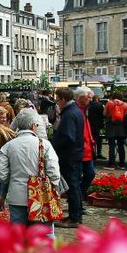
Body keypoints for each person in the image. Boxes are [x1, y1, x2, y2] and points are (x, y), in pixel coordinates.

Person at [0, 109, 61, 233]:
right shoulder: (44, 144)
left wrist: (11, 181)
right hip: (41, 197)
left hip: (16, 196)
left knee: (18, 234)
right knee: (44, 234)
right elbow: (53, 172)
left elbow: (1, 174)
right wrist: (54, 188)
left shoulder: (8, 146)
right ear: (33, 125)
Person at [50, 87, 86, 228]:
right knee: (74, 186)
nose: (57, 103)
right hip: (75, 154)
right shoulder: (75, 110)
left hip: (70, 155)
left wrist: (54, 146)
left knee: (72, 186)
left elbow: (68, 137)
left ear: (63, 99)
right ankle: (75, 215)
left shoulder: (70, 113)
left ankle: (74, 218)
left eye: (58, 99)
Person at [73, 87, 97, 197]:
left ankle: (79, 196)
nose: (90, 100)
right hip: (80, 149)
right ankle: (77, 200)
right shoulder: (76, 110)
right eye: (88, 97)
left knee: (90, 174)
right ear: (81, 97)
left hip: (87, 148)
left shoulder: (85, 109)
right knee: (78, 177)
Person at [103, 90, 127, 170]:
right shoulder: (125, 104)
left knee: (111, 146)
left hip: (111, 126)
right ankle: (122, 164)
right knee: (121, 146)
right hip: (121, 127)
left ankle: (111, 164)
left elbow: (104, 113)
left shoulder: (110, 103)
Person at [86, 91, 104, 161]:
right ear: (98, 99)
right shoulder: (100, 105)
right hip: (98, 125)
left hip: (89, 124)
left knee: (91, 139)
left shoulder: (88, 105)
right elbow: (103, 115)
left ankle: (92, 153)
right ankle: (98, 153)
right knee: (98, 139)